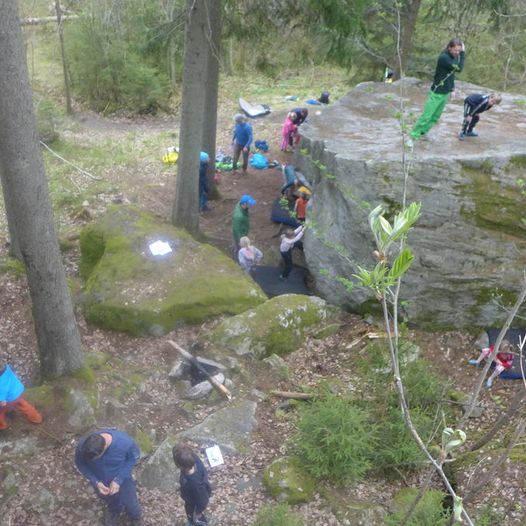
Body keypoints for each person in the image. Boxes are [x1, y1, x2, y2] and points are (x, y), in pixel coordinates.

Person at [75, 429, 143, 526]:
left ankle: (135, 516)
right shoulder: (84, 446)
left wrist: (119, 479)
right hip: (101, 481)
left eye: (95, 459)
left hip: (123, 479)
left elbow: (134, 458)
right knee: (110, 500)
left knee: (131, 502)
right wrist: (96, 482)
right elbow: (80, 464)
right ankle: (114, 510)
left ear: (105, 449)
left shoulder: (125, 442)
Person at [410, 38, 465, 141]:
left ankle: (423, 132)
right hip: (437, 92)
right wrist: (463, 54)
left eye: (459, 50)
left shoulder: (453, 57)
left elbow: (451, 75)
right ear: (449, 48)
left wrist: (452, 89)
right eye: (456, 50)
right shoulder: (444, 58)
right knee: (426, 116)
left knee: (435, 117)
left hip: (445, 92)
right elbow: (459, 69)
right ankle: (413, 135)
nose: (457, 53)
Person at [173, 445, 212, 526]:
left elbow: (203, 501)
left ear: (180, 466)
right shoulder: (193, 459)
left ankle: (196, 522)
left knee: (194, 518)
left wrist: (197, 513)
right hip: (191, 497)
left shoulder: (195, 485)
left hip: (194, 503)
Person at [0, 363, 42, 430]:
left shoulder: (1, 385)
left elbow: (3, 402)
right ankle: (36, 418)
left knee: (1, 411)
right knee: (23, 405)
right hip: (18, 390)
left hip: (10, 398)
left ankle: (1, 425)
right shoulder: (6, 368)